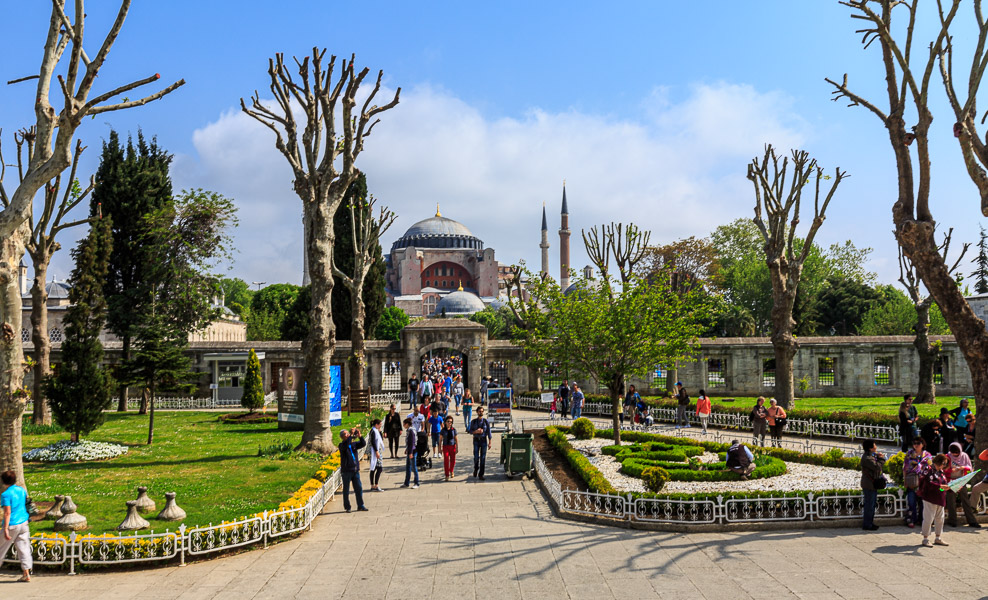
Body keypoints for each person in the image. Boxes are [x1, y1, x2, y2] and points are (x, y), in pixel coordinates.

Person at [0, 470, 32, 582]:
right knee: (24, 548)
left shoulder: (5, 494)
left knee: (1, 548)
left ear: (3, 481)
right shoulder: (21, 490)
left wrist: (5, 529)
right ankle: (26, 573)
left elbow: (7, 512)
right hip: (24, 522)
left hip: (12, 524)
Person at [945, 442, 980, 528]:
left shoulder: (964, 456)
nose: (955, 455)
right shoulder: (947, 456)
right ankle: (952, 520)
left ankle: (971, 521)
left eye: (956, 452)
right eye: (953, 453)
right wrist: (951, 470)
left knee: (966, 501)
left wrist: (963, 467)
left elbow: (970, 468)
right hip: (950, 481)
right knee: (951, 502)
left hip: (961, 481)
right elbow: (944, 469)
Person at [918, 453, 951, 547]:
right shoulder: (928, 470)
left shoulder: (941, 472)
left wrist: (948, 487)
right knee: (928, 519)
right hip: (929, 498)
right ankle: (925, 538)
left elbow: (942, 486)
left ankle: (938, 537)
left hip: (940, 498)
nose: (944, 466)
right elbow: (927, 484)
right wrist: (941, 487)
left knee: (940, 519)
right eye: (944, 463)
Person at [902, 437, 932, 528]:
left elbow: (930, 468)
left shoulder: (927, 455)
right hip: (912, 480)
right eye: (914, 443)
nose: (916, 445)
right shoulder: (909, 454)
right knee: (911, 501)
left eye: (918, 443)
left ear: (923, 444)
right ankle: (911, 519)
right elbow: (905, 468)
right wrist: (905, 480)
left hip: (923, 481)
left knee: (923, 502)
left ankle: (922, 519)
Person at [339, 427, 368, 513]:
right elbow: (346, 445)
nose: (347, 435)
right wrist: (351, 435)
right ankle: (347, 507)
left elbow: (363, 443)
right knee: (346, 490)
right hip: (346, 471)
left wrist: (360, 436)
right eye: (345, 434)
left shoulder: (353, 444)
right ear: (342, 437)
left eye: (348, 433)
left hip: (355, 470)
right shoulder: (342, 445)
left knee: (358, 488)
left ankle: (360, 505)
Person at [859, 439, 886, 531]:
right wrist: (882, 458)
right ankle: (867, 524)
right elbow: (877, 467)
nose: (876, 446)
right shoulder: (867, 458)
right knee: (869, 505)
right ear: (870, 448)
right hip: (869, 484)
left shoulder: (870, 456)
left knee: (872, 504)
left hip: (871, 484)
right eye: (874, 445)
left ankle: (870, 522)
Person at [469, 406, 493, 480]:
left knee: (483, 458)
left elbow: (489, 432)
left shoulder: (486, 422)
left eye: (482, 411)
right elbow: (470, 431)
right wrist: (476, 431)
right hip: (476, 440)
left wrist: (490, 442)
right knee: (476, 457)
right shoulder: (473, 421)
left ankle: (481, 474)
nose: (481, 413)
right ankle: (476, 468)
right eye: (479, 411)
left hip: (483, 440)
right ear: (477, 412)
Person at [367, 419, 385, 492]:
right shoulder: (373, 431)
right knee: (377, 468)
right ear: (376, 424)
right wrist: (376, 451)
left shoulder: (376, 431)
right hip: (374, 451)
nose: (381, 426)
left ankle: (374, 485)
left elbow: (381, 439)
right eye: (380, 424)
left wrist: (380, 432)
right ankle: (375, 485)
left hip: (377, 450)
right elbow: (373, 441)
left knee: (375, 468)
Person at [401, 418, 419, 489]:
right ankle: (406, 483)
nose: (403, 425)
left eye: (404, 424)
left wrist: (410, 452)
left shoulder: (411, 431)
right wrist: (407, 449)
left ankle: (416, 482)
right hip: (409, 451)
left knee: (414, 468)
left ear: (407, 424)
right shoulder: (409, 430)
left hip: (412, 452)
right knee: (408, 467)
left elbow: (412, 443)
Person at [441, 416, 458, 480]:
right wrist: (439, 448)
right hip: (445, 446)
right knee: (446, 460)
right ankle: (447, 474)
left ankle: (451, 470)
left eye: (451, 422)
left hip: (452, 446)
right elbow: (440, 440)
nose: (449, 423)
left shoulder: (454, 430)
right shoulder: (443, 430)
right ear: (445, 422)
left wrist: (457, 447)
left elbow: (456, 439)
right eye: (448, 421)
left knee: (453, 460)